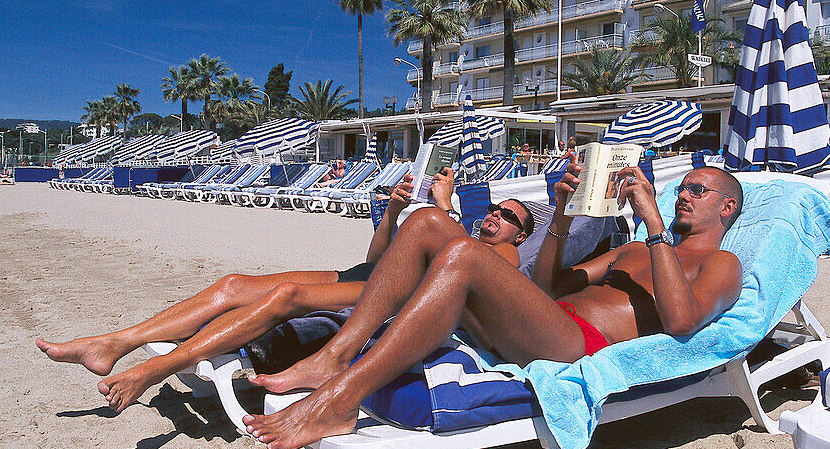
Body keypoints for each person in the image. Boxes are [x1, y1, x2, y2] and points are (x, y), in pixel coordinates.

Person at [242, 163, 744, 449]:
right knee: (423, 224)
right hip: (549, 320)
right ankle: (336, 352)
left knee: (464, 254)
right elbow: (551, 285)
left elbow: (681, 321)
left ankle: (341, 399)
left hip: (582, 345)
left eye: (697, 190)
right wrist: (562, 216)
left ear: (727, 208)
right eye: (683, 188)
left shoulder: (721, 263)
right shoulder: (634, 250)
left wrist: (652, 220)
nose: (684, 195)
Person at [36, 168, 536, 412]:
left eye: (510, 216)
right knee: (234, 284)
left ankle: (153, 367)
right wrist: (391, 212)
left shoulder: (505, 259)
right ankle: (117, 342)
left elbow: (463, 284)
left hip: (395, 298)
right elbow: (376, 260)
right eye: (495, 209)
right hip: (369, 276)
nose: (496, 216)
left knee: (283, 299)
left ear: (522, 233)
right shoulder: (457, 231)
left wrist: (444, 208)